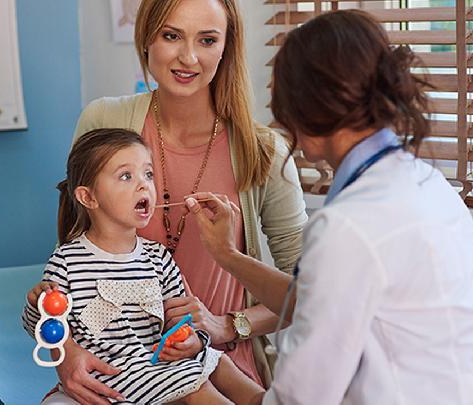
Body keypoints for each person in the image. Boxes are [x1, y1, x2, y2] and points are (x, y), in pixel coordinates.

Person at [184, 10, 473, 405]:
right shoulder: (427, 184)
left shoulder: (348, 226)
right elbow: (315, 296)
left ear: (307, 104)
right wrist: (226, 255)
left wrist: (206, 386)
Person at [48, 0, 308, 402]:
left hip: (219, 374)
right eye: (171, 36)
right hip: (117, 377)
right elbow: (72, 263)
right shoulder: (103, 122)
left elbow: (309, 293)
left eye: (207, 40)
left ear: (226, 48)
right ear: (147, 37)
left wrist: (226, 325)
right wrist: (63, 352)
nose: (188, 57)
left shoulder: (265, 153)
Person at [22, 128, 264, 404]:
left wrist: (191, 340)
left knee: (217, 360)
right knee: (193, 384)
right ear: (88, 198)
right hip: (113, 373)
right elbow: (45, 330)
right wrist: (37, 304)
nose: (144, 185)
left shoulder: (157, 257)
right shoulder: (66, 261)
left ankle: (267, 400)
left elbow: (181, 320)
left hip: (155, 362)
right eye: (126, 176)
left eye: (148, 174)